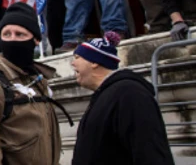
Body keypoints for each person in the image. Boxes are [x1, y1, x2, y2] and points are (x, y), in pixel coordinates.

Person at [0, 3, 62, 165]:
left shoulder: (38, 82)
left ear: (36, 40)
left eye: (20, 34)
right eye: (6, 34)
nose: (12, 39)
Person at [70, 34, 173, 164]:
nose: (73, 63)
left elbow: (150, 152)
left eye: (77, 57)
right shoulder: (105, 95)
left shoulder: (130, 94)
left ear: (94, 61)